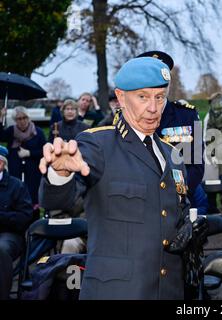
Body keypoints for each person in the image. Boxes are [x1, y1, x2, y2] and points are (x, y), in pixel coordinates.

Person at [39, 57, 193, 300]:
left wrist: (188, 229)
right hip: (116, 291)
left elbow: (175, 211)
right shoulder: (97, 144)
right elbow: (59, 202)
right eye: (142, 97)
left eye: (160, 97)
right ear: (121, 97)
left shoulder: (173, 154)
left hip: (169, 290)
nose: (153, 108)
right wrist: (60, 174)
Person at [136, 51, 204, 202]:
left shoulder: (187, 116)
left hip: (177, 200)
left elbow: (195, 165)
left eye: (161, 78)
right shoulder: (125, 118)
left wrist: (176, 195)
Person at [0, 145, 34, 299]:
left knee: (1, 249)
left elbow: (24, 218)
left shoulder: (16, 186)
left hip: (10, 234)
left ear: (1, 164)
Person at [0, 106, 46, 210]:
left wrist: (29, 153)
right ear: (15, 120)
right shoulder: (11, 131)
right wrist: (1, 117)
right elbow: (1, 136)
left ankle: (33, 218)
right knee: (16, 193)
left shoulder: (38, 132)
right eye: (19, 119)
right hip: (15, 168)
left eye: (24, 117)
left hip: (33, 171)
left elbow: (44, 150)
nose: (22, 121)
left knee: (32, 196)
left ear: (28, 118)